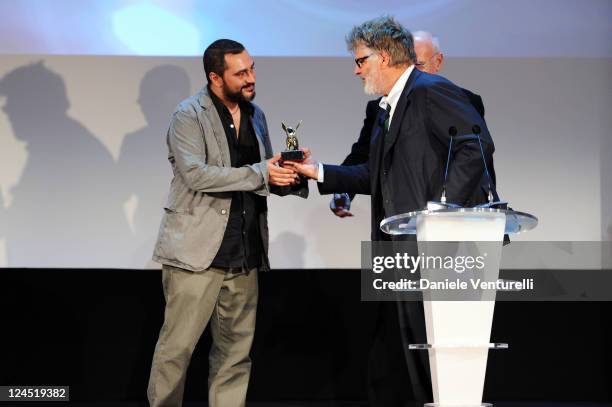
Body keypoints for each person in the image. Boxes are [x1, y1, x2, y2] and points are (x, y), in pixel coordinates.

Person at [284, 17, 496, 405]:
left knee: (435, 362)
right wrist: (317, 172)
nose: (356, 69)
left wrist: (442, 214)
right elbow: (374, 175)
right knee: (406, 358)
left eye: (360, 60)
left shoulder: (432, 90)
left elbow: (476, 148)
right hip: (397, 249)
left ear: (383, 57)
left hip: (436, 250)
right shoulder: (388, 107)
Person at [147, 39, 307, 407]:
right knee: (176, 351)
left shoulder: (257, 115)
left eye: (252, 69)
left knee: (235, 356)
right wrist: (261, 173)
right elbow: (197, 176)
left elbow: (261, 178)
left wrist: (290, 174)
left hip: (244, 251)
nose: (251, 78)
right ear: (215, 77)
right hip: (195, 253)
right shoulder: (188, 115)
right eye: (241, 72)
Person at [330, 30, 485, 217]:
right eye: (407, 65)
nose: (410, 72)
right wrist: (343, 190)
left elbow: (477, 154)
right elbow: (364, 156)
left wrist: (445, 206)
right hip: (403, 217)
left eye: (418, 65)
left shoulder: (464, 100)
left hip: (466, 215)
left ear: (438, 62)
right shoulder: (381, 108)